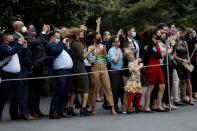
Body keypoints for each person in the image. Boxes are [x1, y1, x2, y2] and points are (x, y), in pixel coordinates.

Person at [67, 28, 95, 116]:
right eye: (81, 34)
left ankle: (70, 108)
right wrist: (89, 50)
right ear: (77, 35)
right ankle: (83, 109)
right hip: (80, 68)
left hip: (74, 68)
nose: (83, 35)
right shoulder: (76, 44)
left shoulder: (71, 43)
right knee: (86, 88)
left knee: (74, 89)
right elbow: (82, 57)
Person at [88, 32, 117, 115]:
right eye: (98, 37)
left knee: (108, 88)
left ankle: (112, 108)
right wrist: (97, 54)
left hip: (104, 68)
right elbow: (90, 61)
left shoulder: (102, 46)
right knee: (95, 89)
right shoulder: (91, 47)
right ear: (94, 39)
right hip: (95, 68)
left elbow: (108, 60)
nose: (99, 39)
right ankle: (93, 108)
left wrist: (105, 53)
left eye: (100, 37)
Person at [0, 34, 28, 121]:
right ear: (6, 40)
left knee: (20, 95)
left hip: (17, 74)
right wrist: (19, 43)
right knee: (2, 96)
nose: (13, 40)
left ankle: (23, 114)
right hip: (6, 75)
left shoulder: (14, 47)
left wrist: (24, 46)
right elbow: (10, 53)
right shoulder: (2, 47)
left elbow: (21, 56)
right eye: (11, 38)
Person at [46, 31, 73, 119]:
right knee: (59, 91)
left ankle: (60, 111)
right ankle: (53, 111)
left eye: (59, 37)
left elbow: (66, 52)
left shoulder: (59, 45)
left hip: (67, 70)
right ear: (52, 37)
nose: (59, 39)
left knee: (65, 92)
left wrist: (67, 46)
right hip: (60, 70)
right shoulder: (50, 45)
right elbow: (56, 51)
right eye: (57, 37)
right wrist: (62, 43)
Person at [142, 27, 166, 112]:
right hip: (152, 66)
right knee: (150, 87)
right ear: (154, 35)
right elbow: (157, 55)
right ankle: (146, 106)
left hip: (157, 65)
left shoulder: (156, 43)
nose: (160, 34)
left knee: (162, 86)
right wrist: (167, 52)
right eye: (159, 33)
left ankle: (159, 105)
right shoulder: (150, 44)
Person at [108, 36, 124, 113]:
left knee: (121, 90)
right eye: (117, 41)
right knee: (115, 90)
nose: (119, 42)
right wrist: (118, 53)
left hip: (121, 71)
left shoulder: (119, 49)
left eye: (119, 41)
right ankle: (114, 107)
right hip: (115, 71)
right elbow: (115, 61)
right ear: (113, 43)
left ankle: (122, 107)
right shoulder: (111, 50)